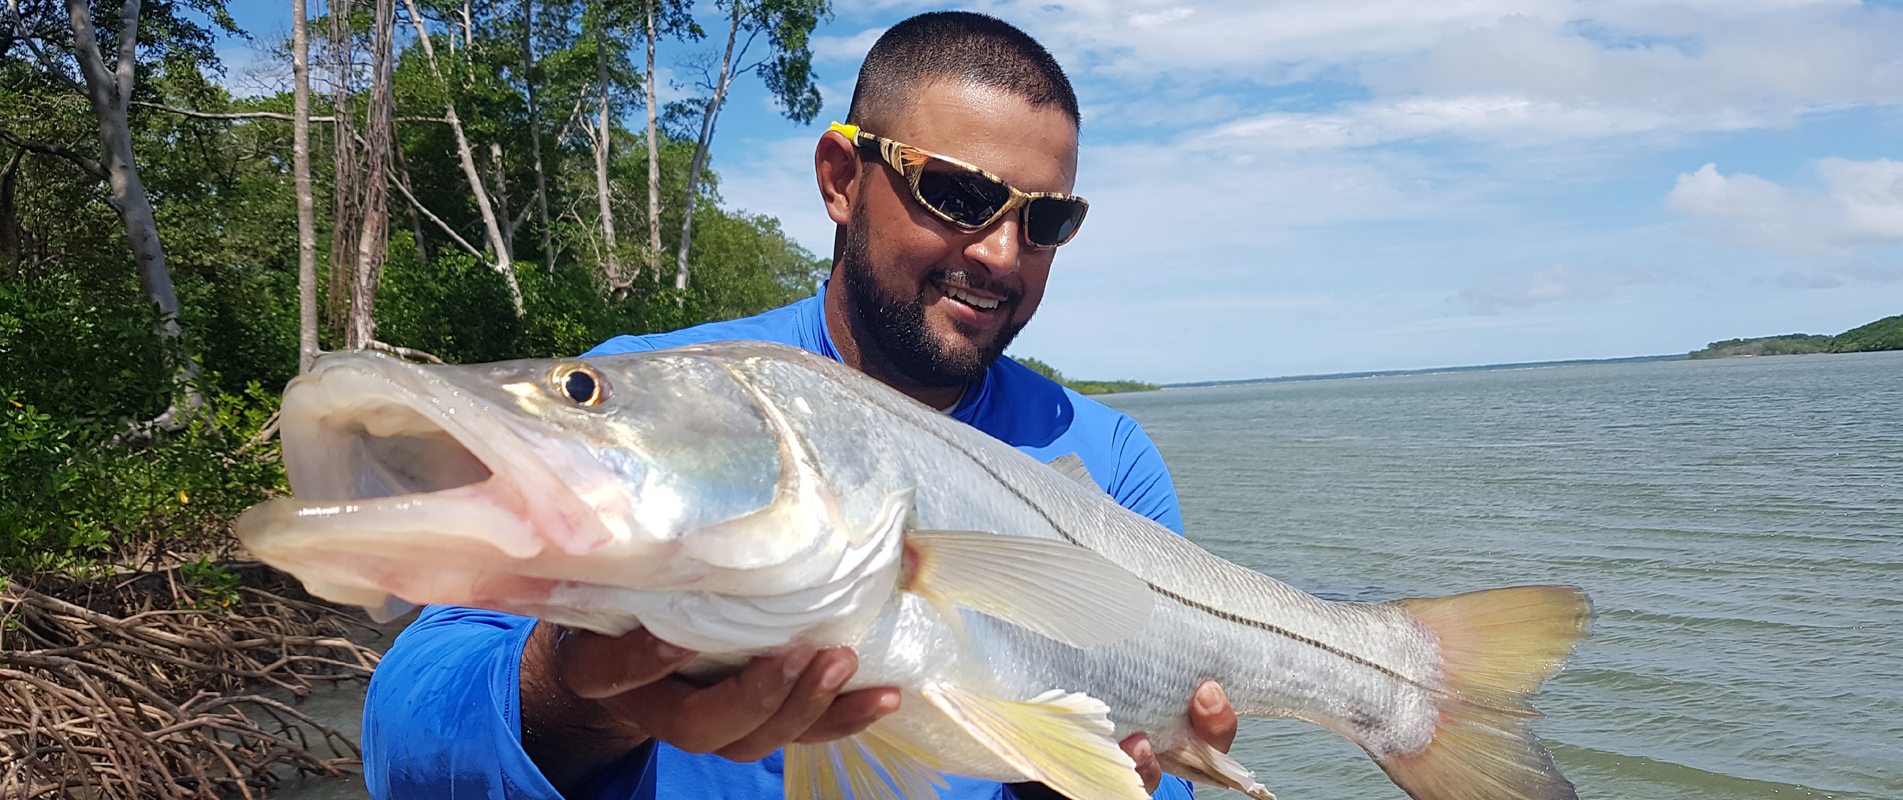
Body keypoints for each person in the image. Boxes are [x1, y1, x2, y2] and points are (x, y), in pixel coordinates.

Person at [362, 12, 1238, 800]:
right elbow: (406, 755)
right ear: (840, 179)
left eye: (1045, 222)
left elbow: (1153, 784)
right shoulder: (637, 394)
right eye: (960, 196)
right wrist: (589, 693)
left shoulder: (1107, 455)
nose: (1004, 255)